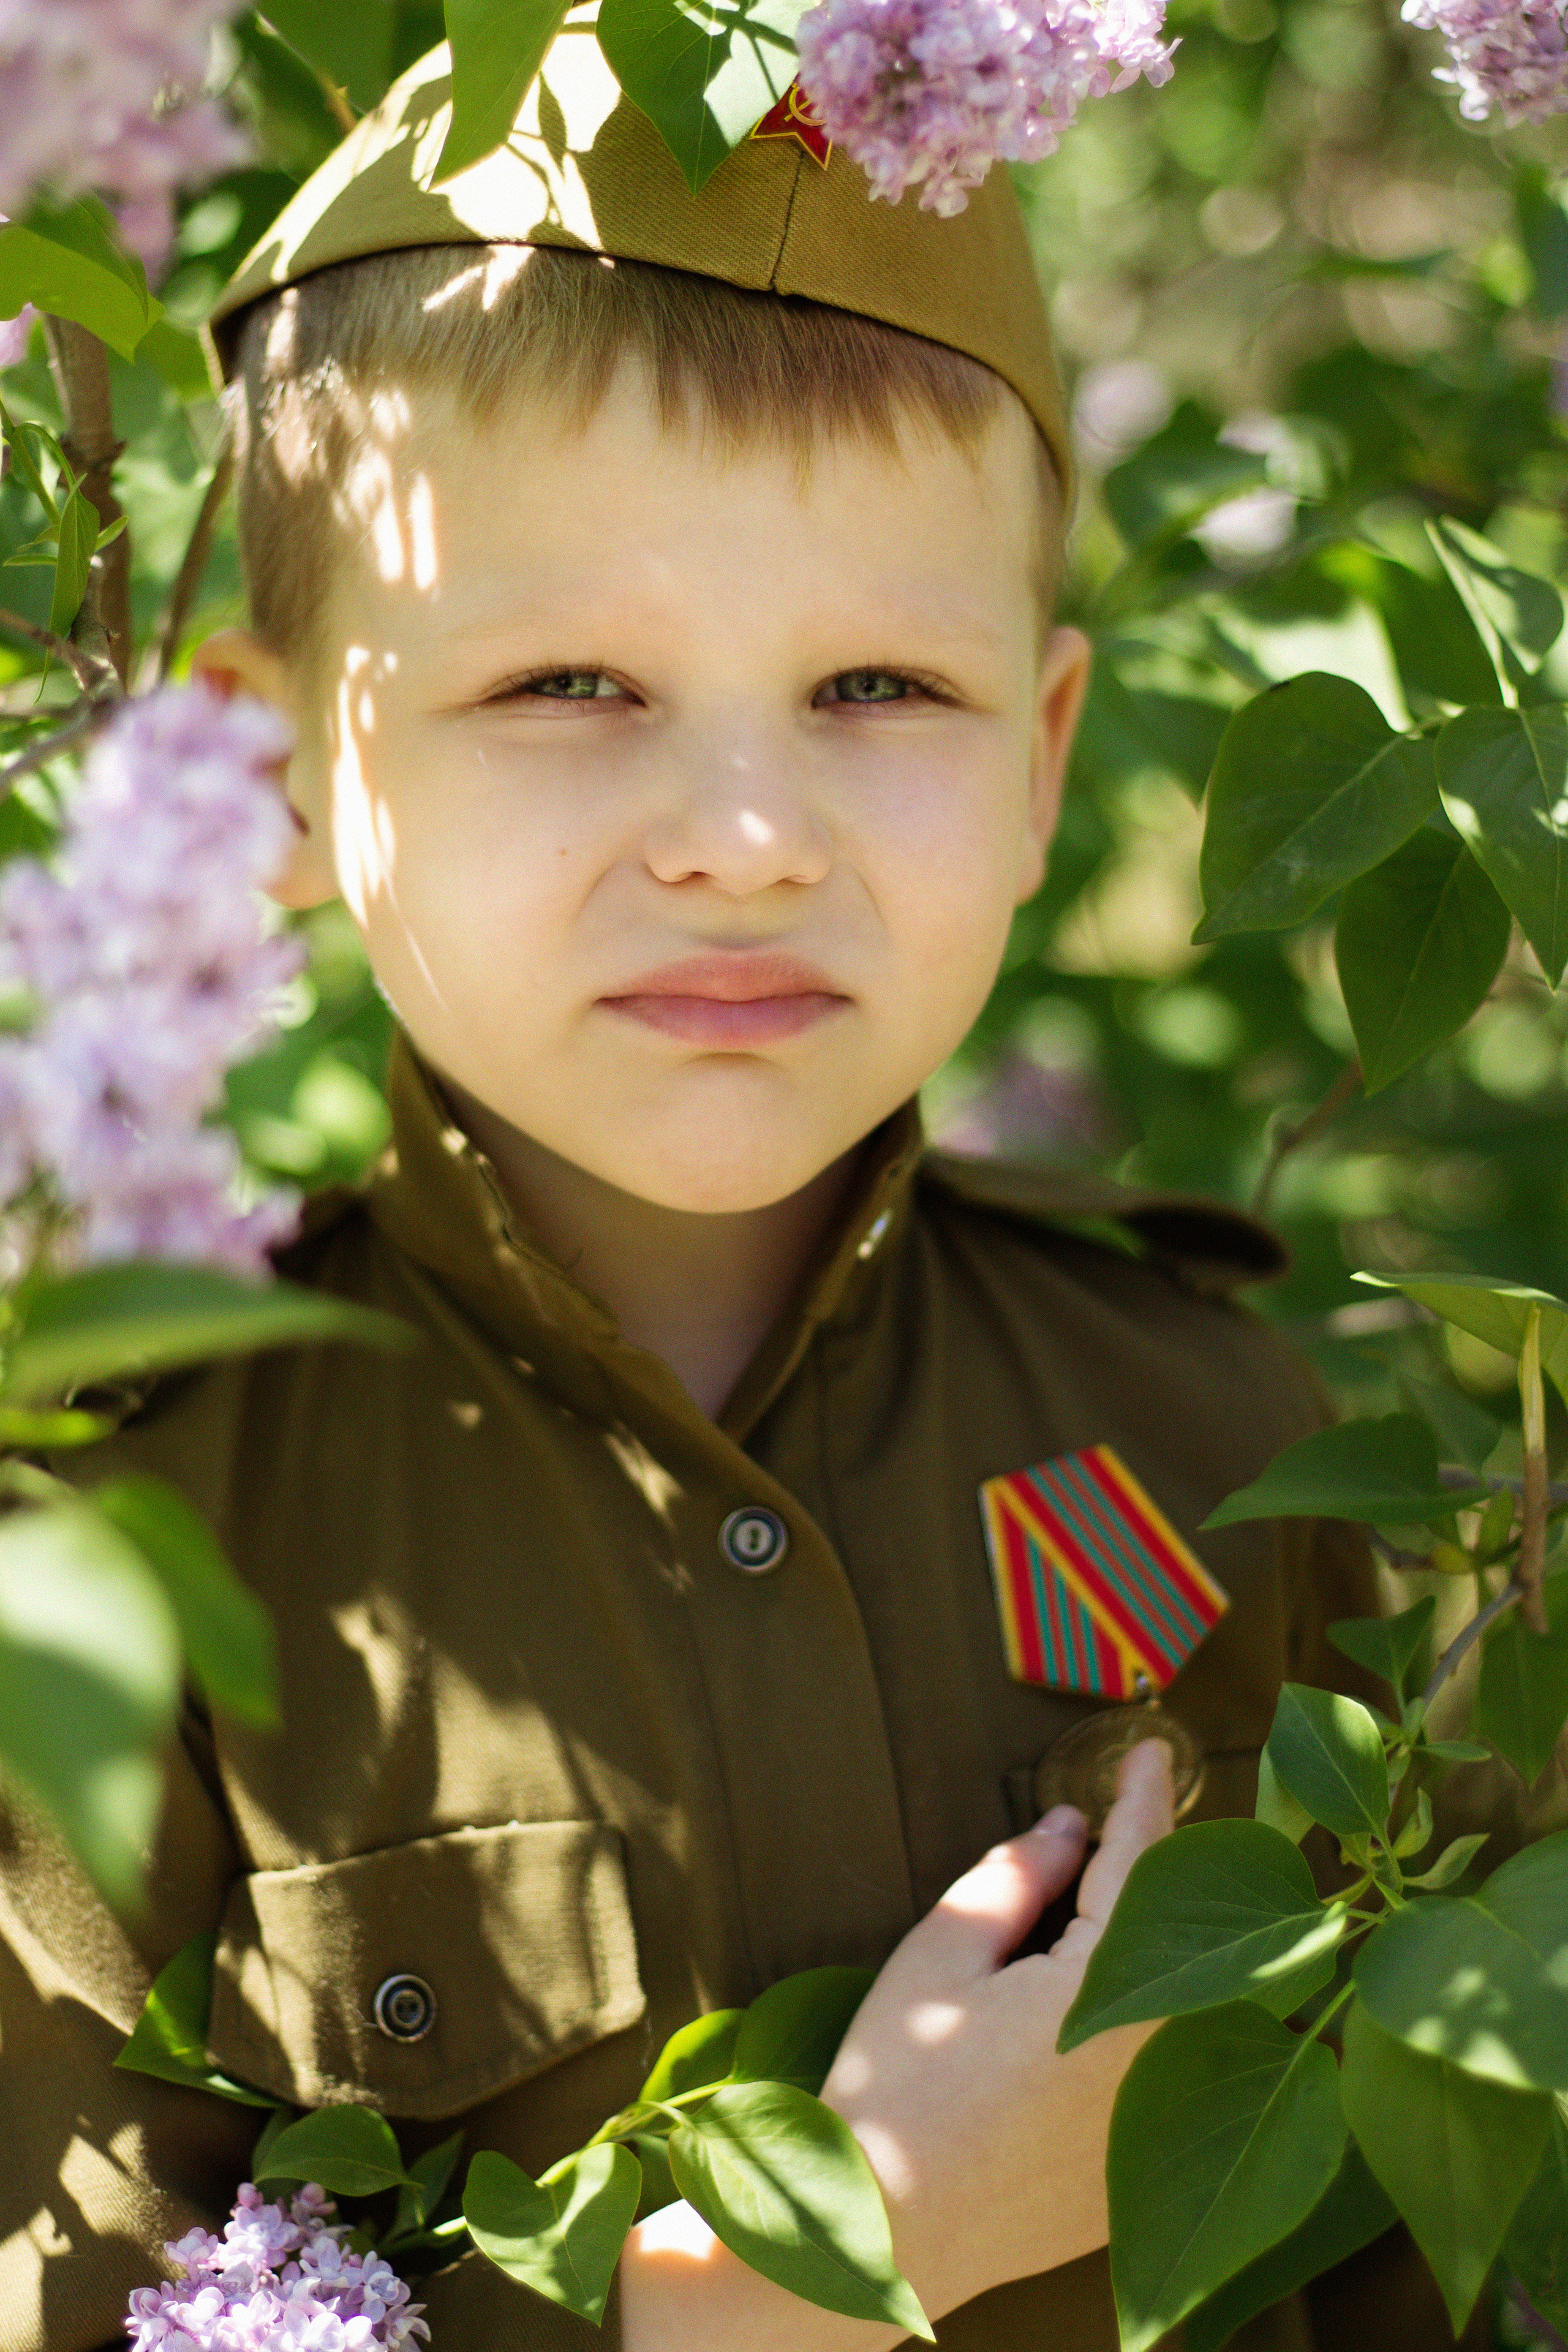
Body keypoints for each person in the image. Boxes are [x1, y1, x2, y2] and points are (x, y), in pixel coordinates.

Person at [0, 26, 1425, 2352]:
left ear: (1048, 754)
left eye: (880, 684)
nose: (750, 837)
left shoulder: (1231, 1435)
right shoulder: (111, 1568)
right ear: (267, 768)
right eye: (570, 681)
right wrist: (798, 2294)